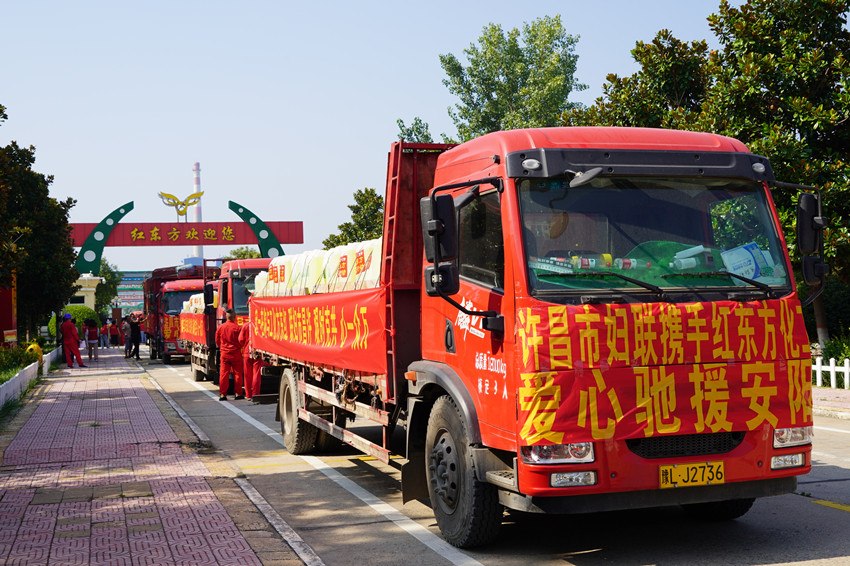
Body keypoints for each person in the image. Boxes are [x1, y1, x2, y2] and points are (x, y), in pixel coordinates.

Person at [215, 309, 244, 401]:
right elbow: (241, 340)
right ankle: (238, 393)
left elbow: (217, 340)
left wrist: (222, 348)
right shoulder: (238, 328)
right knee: (238, 374)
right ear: (235, 317)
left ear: (226, 317)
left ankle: (223, 394)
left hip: (224, 354)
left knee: (223, 374)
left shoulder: (220, 327)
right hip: (236, 353)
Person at [239, 321, 256, 400]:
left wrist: (245, 345)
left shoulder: (245, 325)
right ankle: (256, 394)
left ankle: (248, 395)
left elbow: (241, 339)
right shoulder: (258, 324)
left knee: (247, 375)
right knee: (256, 375)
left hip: (247, 351)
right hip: (257, 351)